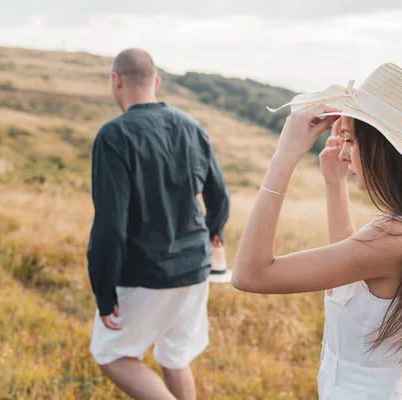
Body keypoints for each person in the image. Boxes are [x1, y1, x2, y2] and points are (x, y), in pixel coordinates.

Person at [232, 63, 402, 399]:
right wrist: (334, 184)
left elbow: (250, 275)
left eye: (351, 140)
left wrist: (284, 157)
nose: (344, 152)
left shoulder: (393, 239)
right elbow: (350, 276)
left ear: (381, 150)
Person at [87, 48, 230, 400]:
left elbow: (110, 226)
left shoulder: (114, 136)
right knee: (175, 357)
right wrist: (212, 234)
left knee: (111, 354)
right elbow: (220, 197)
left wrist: (104, 292)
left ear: (116, 80)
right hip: (195, 268)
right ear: (156, 81)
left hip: (146, 272)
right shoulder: (191, 126)